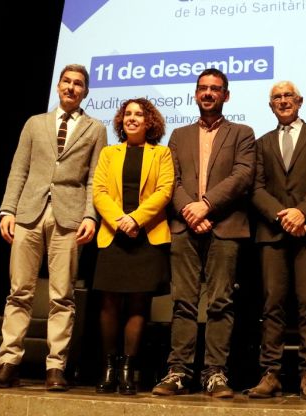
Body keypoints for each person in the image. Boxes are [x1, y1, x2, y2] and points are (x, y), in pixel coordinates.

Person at [0, 64, 107, 391]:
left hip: (69, 216)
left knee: (62, 295)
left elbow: (96, 178)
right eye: (66, 81)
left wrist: (91, 215)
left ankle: (56, 367)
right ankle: (8, 362)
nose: (71, 87)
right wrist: (7, 210)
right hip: (28, 213)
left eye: (78, 83)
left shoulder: (95, 129)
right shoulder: (35, 123)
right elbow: (18, 170)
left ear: (86, 91)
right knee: (19, 291)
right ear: (58, 87)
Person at [151, 68, 255, 398]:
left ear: (226, 95)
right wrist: (189, 210)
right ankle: (178, 370)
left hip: (225, 226)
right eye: (203, 88)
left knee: (221, 302)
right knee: (183, 302)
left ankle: (215, 373)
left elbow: (243, 176)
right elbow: (172, 180)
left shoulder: (242, 133)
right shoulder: (179, 135)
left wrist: (206, 205)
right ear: (195, 94)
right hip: (184, 226)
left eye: (215, 89)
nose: (208, 93)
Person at [245, 81, 306, 400]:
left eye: (288, 96)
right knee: (272, 306)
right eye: (277, 98)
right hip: (273, 233)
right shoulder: (261, 142)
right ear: (271, 106)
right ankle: (270, 374)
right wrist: (284, 215)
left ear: (300, 101)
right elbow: (255, 188)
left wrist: (302, 213)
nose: (283, 101)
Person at [91, 98, 174, 395]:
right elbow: (98, 191)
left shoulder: (162, 153)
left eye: (139, 114)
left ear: (149, 121)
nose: (132, 118)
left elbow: (165, 190)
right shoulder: (108, 153)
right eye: (128, 114)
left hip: (146, 236)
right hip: (113, 234)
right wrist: (119, 220)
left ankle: (128, 369)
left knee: (139, 304)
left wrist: (136, 219)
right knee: (109, 304)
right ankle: (109, 367)